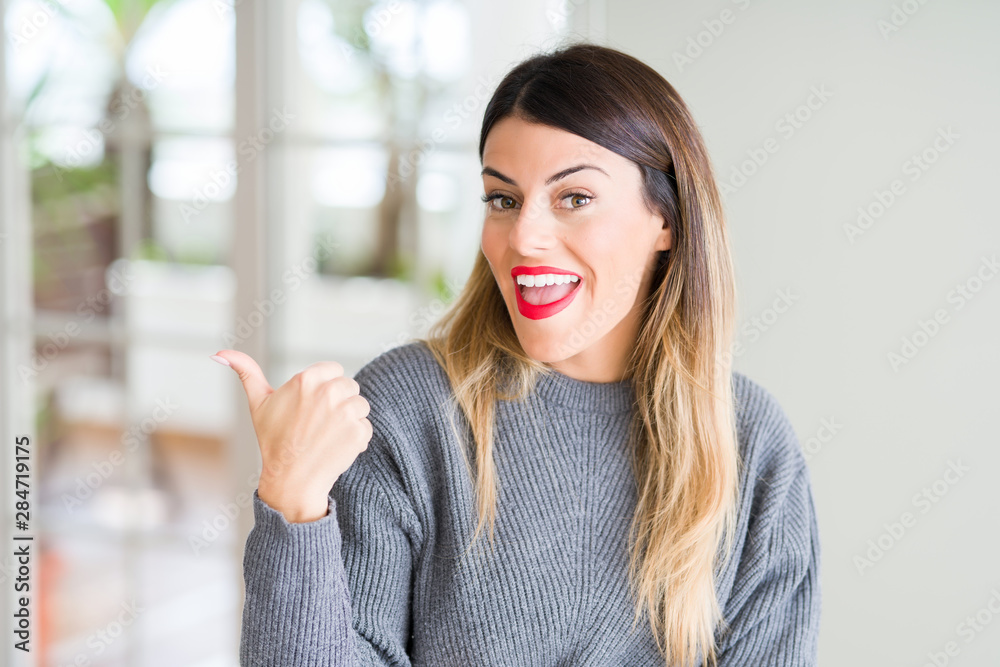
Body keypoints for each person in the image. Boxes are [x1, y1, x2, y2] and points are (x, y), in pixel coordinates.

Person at [211, 42, 821, 667]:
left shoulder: (751, 445)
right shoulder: (408, 412)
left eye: (574, 198)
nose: (524, 236)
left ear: (665, 218)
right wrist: (292, 501)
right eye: (503, 199)